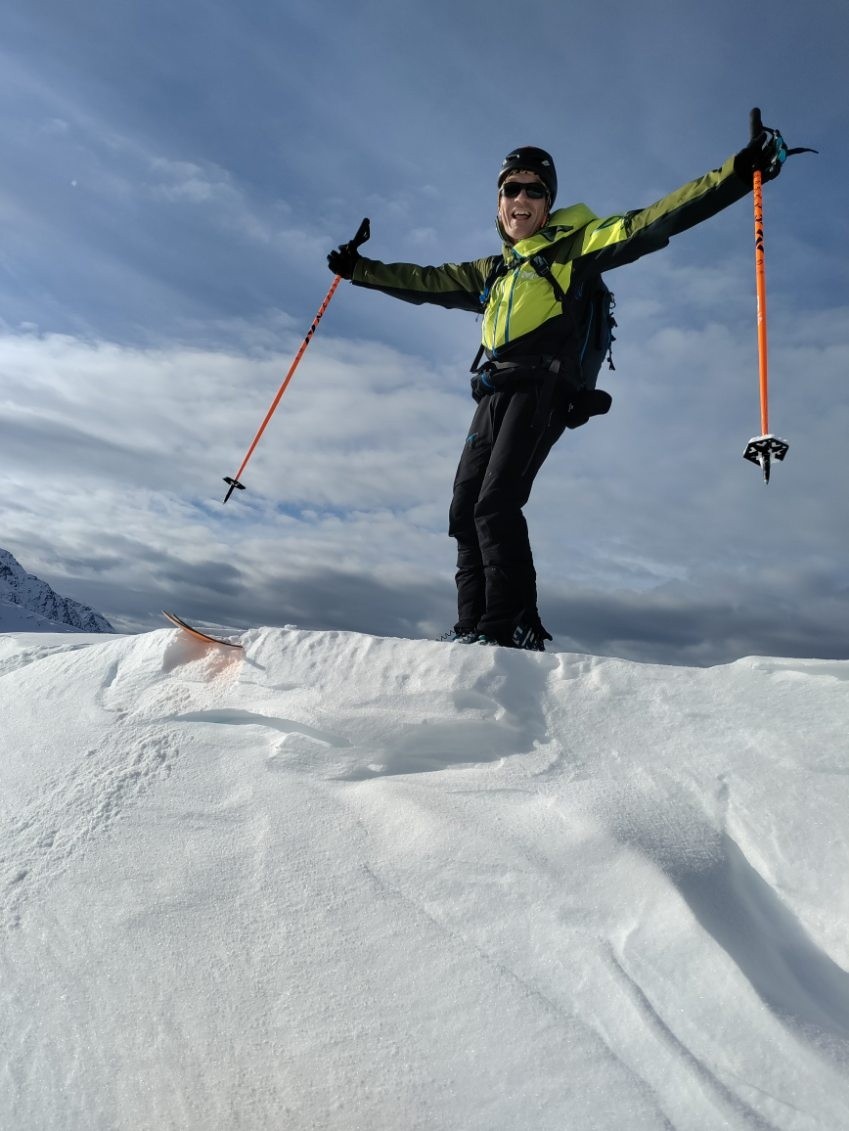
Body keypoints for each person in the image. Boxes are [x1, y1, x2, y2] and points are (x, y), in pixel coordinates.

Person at [327, 124, 791, 651]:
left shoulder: (575, 247)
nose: (520, 198)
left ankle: (507, 629)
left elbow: (654, 220)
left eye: (534, 189)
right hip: (493, 390)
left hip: (542, 389)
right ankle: (470, 626)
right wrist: (359, 270)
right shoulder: (496, 270)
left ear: (549, 202)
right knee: (464, 509)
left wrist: (737, 172)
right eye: (510, 188)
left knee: (496, 504)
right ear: (499, 201)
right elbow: (427, 280)